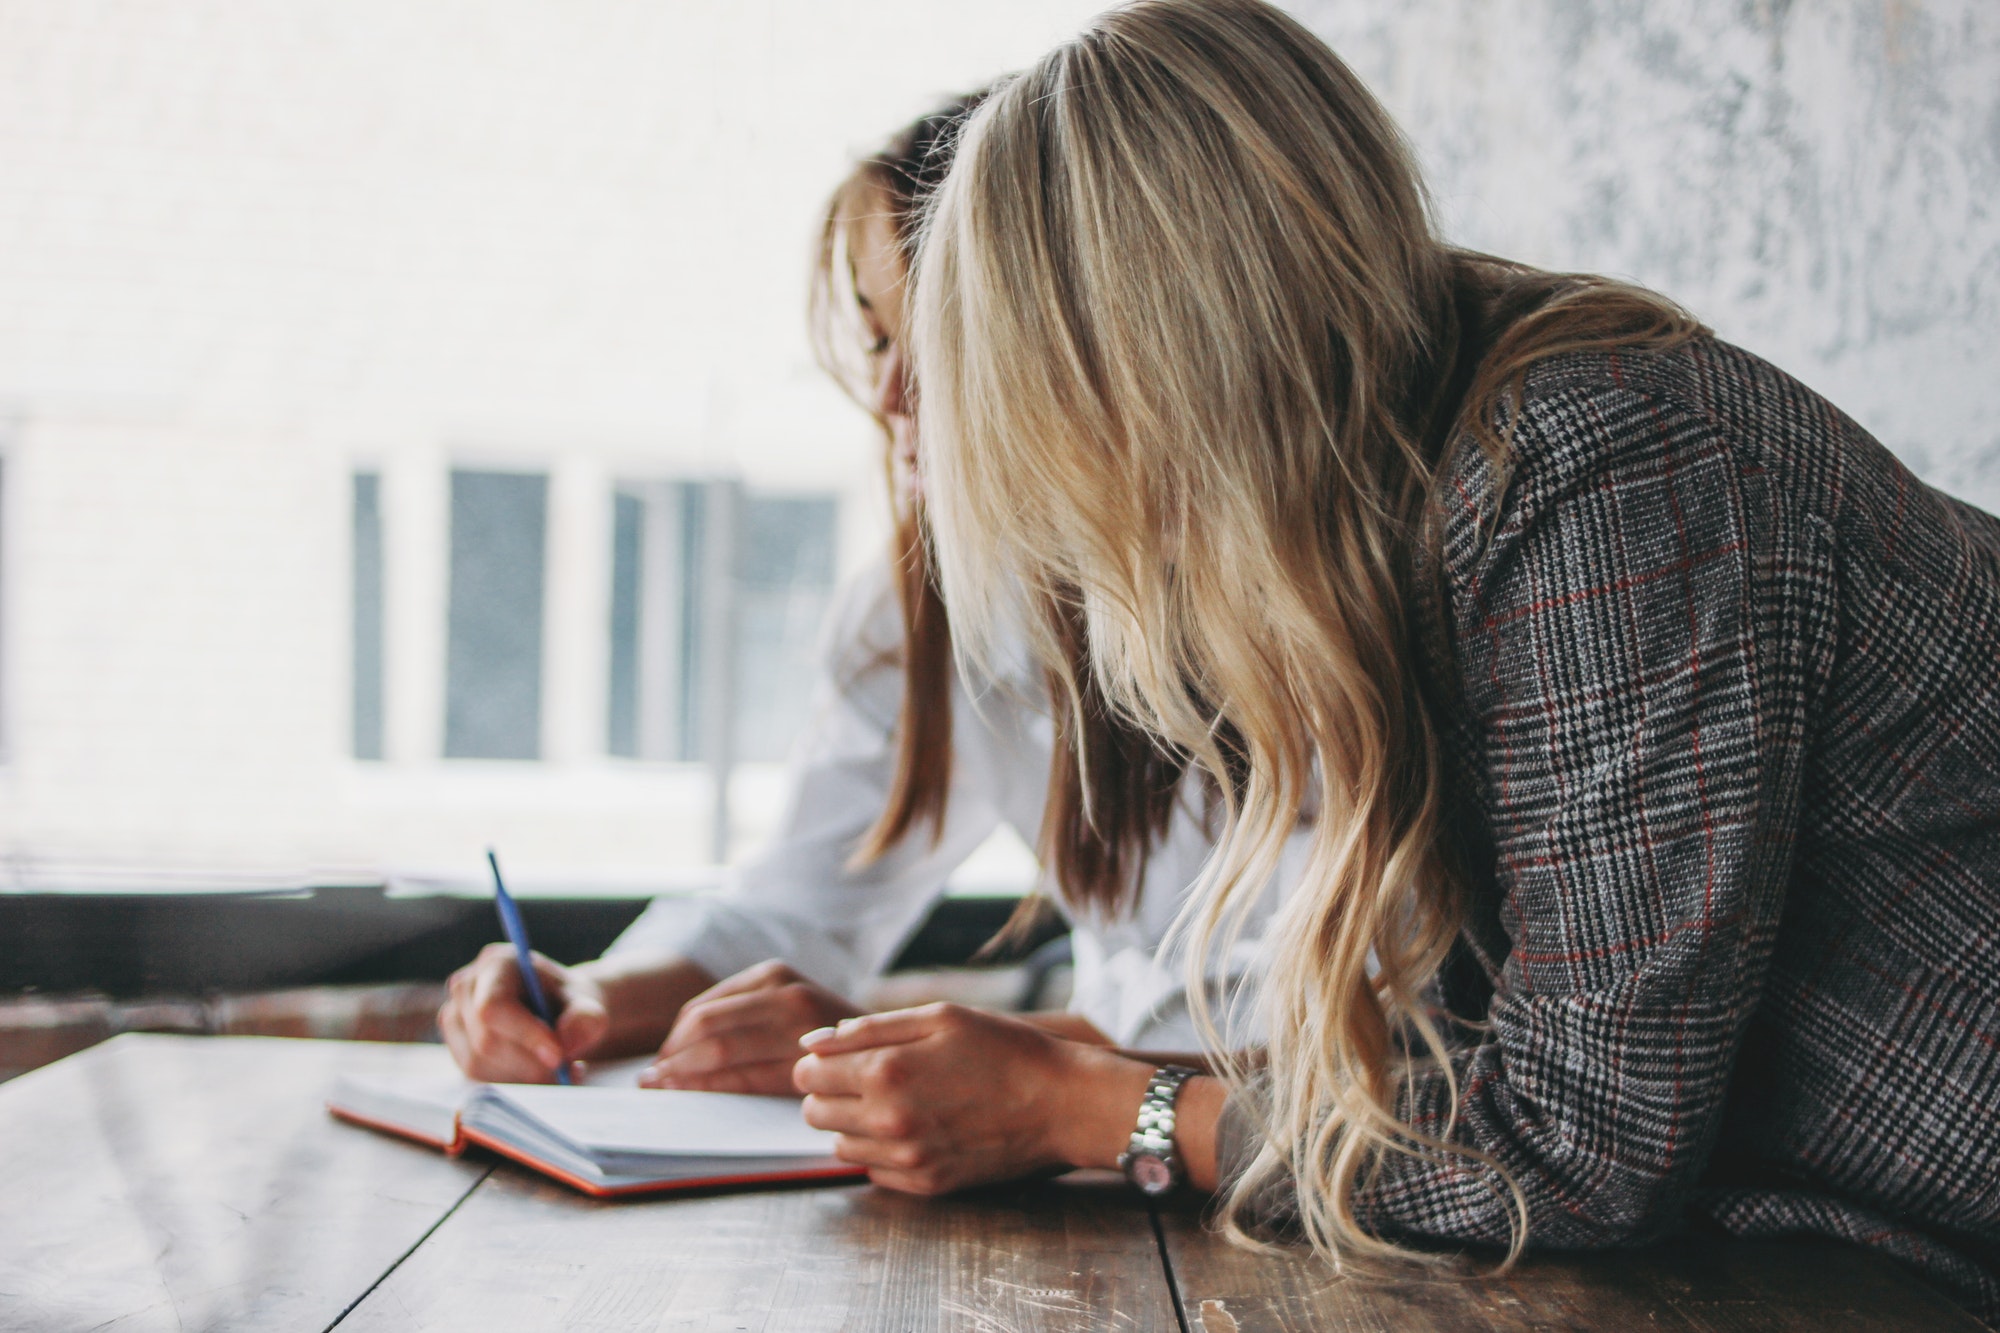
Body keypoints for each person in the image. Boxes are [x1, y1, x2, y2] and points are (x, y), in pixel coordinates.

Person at [785, 0, 2000, 1319]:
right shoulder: (1427, 495)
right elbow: (1505, 1061)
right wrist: (1116, 1071)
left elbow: (1571, 1150)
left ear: (1147, 359)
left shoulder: (1600, 478)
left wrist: (1104, 1108)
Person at [438, 94, 1299, 1096]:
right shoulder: (925, 613)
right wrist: (587, 995)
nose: (890, 398)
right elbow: (792, 911)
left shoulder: (1308, 604)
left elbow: (1334, 1023)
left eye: (940, 341)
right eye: (879, 340)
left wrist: (894, 1039)